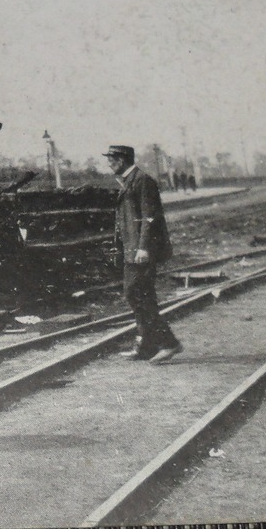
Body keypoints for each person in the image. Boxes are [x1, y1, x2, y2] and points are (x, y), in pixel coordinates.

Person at [104, 144, 183, 364]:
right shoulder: (130, 181)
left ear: (122, 160)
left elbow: (150, 218)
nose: (109, 163)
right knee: (140, 295)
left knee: (135, 293)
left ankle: (168, 343)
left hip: (141, 251)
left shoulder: (143, 181)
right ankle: (148, 345)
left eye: (111, 159)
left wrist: (144, 248)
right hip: (133, 249)